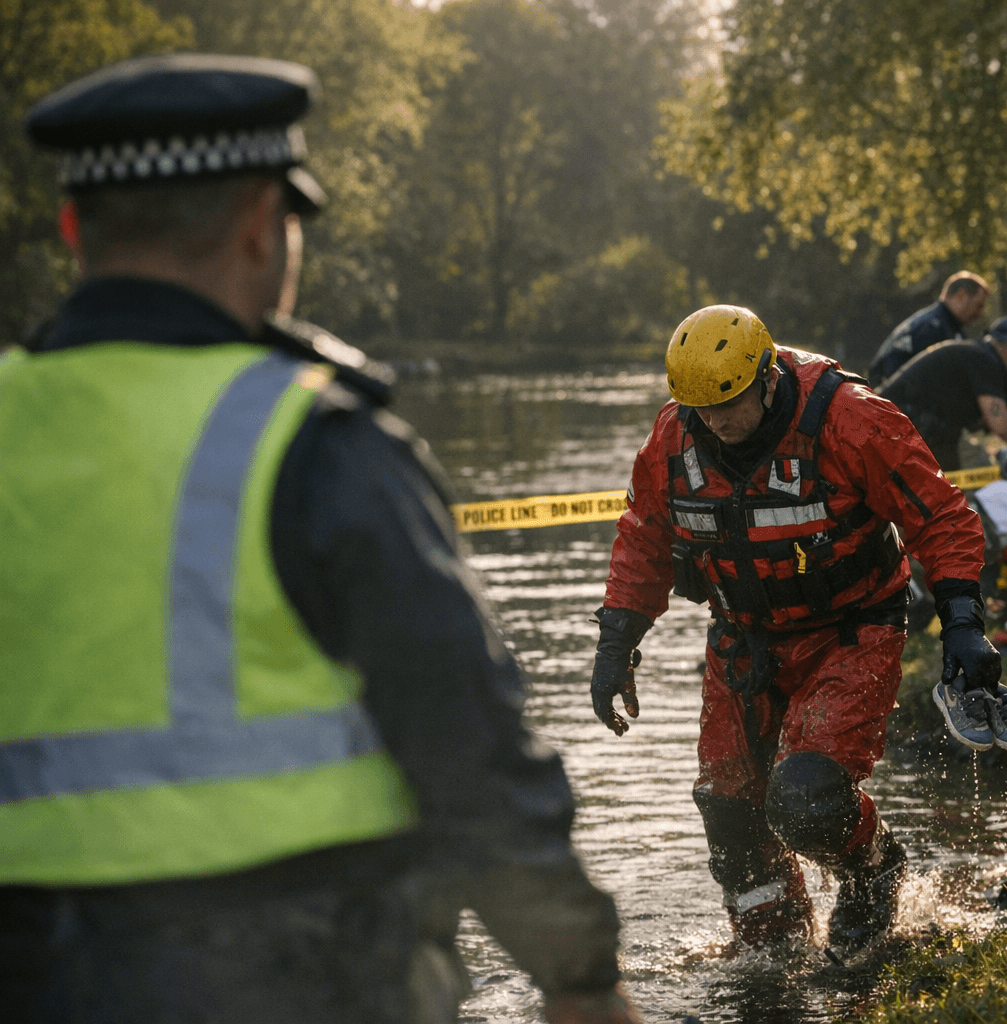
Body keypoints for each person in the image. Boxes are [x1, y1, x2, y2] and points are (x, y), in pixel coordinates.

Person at [0, 54, 636, 1024]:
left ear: (74, 228)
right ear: (265, 224)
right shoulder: (317, 441)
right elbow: (466, 738)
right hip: (306, 973)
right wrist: (580, 975)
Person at [590, 305, 1007, 960]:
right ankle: (775, 953)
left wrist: (962, 623)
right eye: (701, 408)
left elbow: (941, 519)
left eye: (729, 403)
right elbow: (645, 541)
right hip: (742, 637)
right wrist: (616, 642)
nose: (717, 422)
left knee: (806, 800)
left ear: (767, 378)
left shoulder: (852, 419)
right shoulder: (673, 440)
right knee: (729, 811)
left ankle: (871, 869)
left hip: (850, 630)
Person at [877, 317, 1007, 471]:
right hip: (900, 427)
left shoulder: (987, 360)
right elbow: (1000, 423)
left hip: (917, 427)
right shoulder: (983, 360)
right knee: (970, 478)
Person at [866, 270, 990, 388]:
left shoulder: (943, 324)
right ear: (961, 295)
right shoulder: (932, 328)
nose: (981, 313)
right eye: (979, 305)